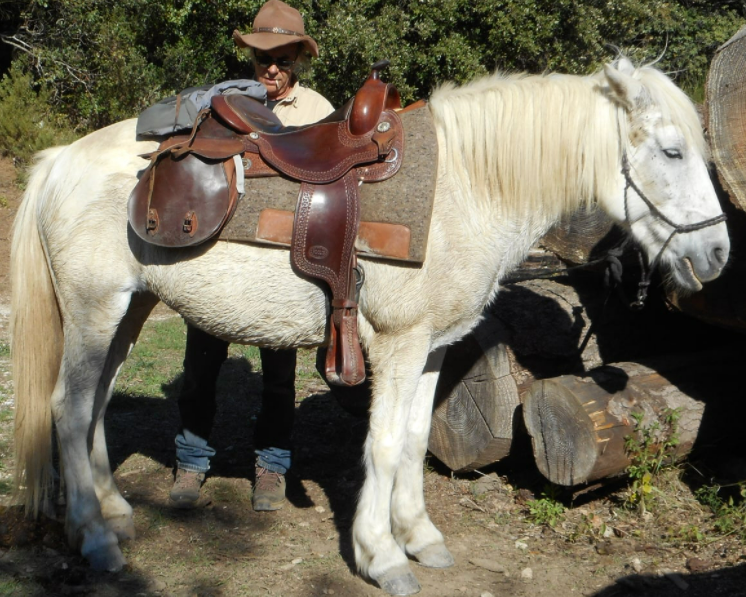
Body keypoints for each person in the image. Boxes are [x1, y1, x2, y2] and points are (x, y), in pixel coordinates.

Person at [169, 0, 334, 512]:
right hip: (222, 257)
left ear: (297, 61)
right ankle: (191, 461)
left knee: (279, 376)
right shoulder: (227, 104)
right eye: (264, 57)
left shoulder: (319, 113)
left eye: (283, 58)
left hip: (282, 265)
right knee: (200, 365)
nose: (272, 68)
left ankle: (271, 466)